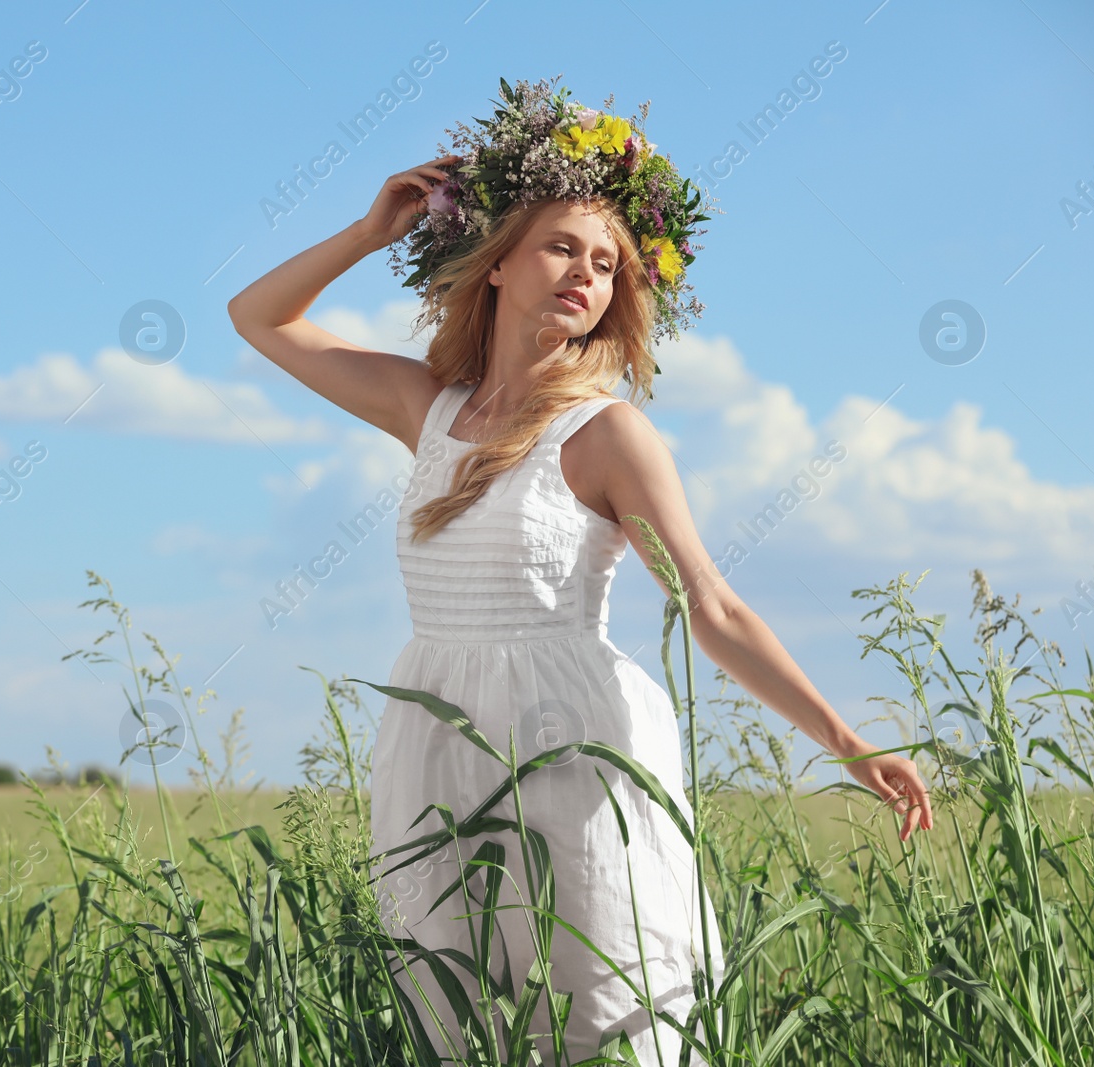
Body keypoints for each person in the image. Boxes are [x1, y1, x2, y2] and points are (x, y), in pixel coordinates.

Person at [228, 85, 933, 1065]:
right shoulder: (424, 408)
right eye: (562, 246)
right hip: (433, 728)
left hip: (578, 740)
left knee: (607, 1014)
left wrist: (848, 742)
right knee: (454, 1020)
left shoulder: (606, 433)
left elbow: (712, 606)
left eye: (606, 264)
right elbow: (256, 316)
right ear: (498, 262)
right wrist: (368, 229)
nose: (585, 274)